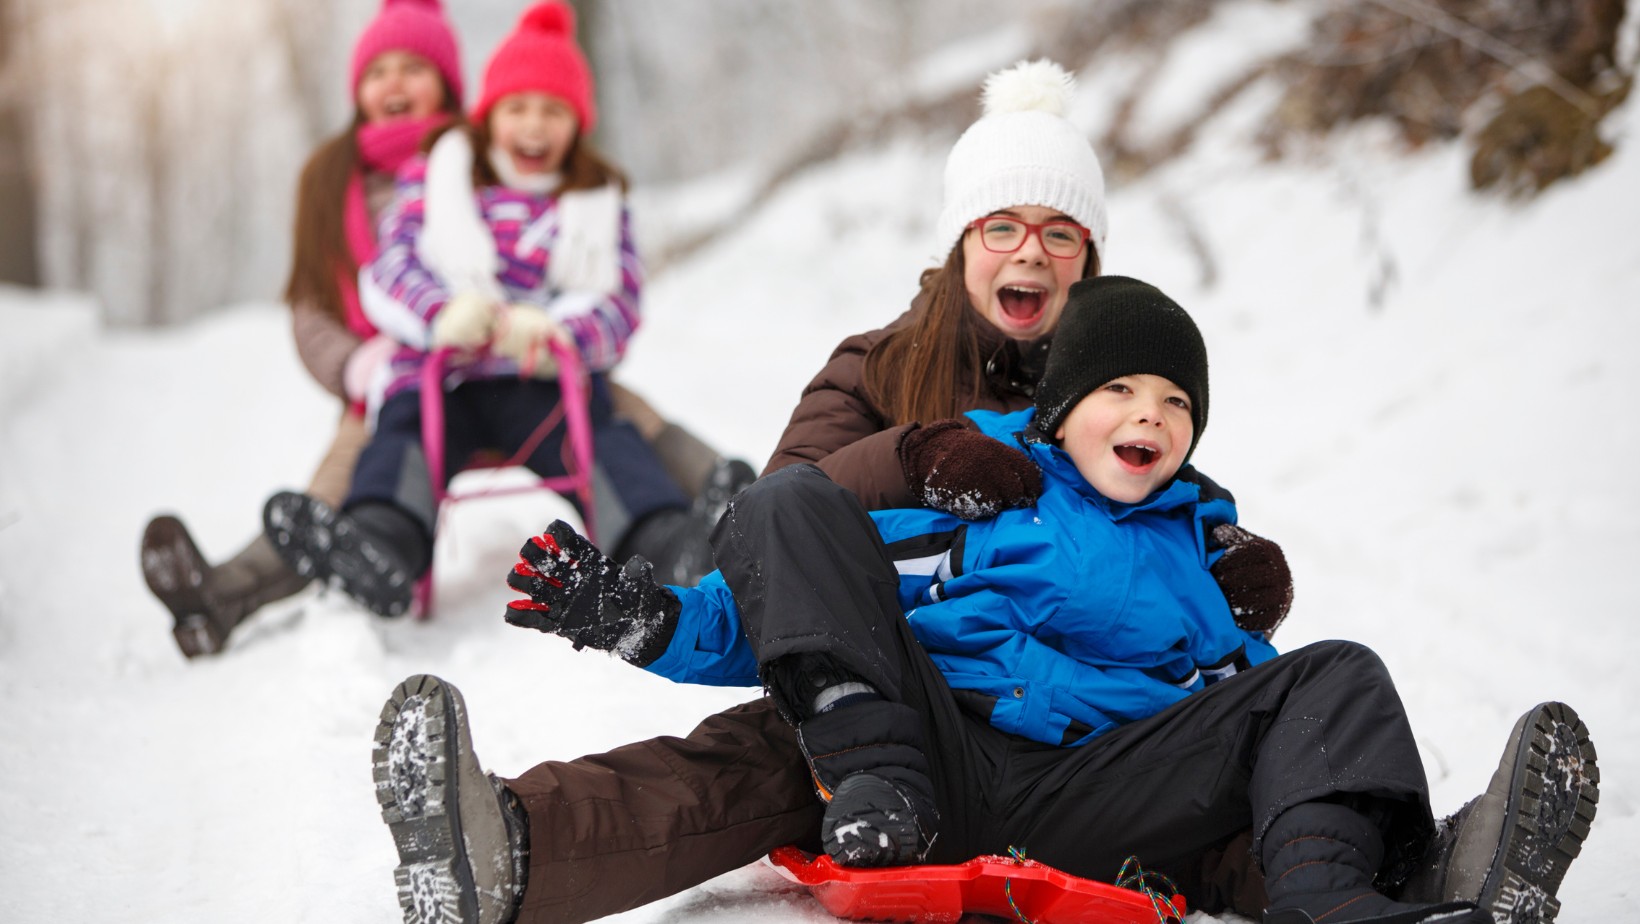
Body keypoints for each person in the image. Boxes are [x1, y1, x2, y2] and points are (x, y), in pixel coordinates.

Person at [371, 276, 1600, 924]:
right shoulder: (984, 480)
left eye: (1175, 404)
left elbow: (1261, 726)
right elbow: (803, 608)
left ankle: (1379, 892)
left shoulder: (1204, 545)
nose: (1149, 417)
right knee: (786, 518)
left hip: (1101, 785)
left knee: (1335, 678)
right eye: (1120, 391)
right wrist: (649, 622)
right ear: (1059, 407)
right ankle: (505, 857)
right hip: (918, 750)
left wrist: (1262, 646)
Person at [139, 0, 743, 652]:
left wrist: (553, 331)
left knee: (610, 432)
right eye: (380, 72)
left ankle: (695, 531)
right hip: (429, 371)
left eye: (552, 111)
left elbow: (614, 295)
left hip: (535, 372)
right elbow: (374, 274)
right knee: (385, 452)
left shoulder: (577, 196)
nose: (533, 125)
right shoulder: (413, 179)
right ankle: (361, 552)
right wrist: (416, 329)